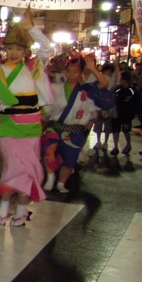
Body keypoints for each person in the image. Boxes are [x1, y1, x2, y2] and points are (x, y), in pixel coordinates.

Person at [0, 16, 53, 225]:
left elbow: (46, 48)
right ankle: (4, 203)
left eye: (19, 49)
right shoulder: (0, 69)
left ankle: (21, 209)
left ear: (26, 51)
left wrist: (32, 27)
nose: (14, 52)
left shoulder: (34, 67)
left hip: (31, 125)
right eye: (10, 48)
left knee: (29, 169)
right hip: (8, 124)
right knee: (12, 166)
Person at [42, 52, 113, 193]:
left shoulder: (87, 90)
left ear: (80, 73)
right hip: (55, 127)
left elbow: (104, 83)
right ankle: (50, 175)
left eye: (75, 72)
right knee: (48, 151)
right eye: (68, 71)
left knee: (70, 160)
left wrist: (92, 69)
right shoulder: (57, 87)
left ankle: (61, 182)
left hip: (74, 130)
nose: (71, 75)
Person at [112, 66, 136, 159]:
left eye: (121, 79)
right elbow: (114, 98)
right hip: (117, 113)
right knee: (116, 130)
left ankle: (128, 145)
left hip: (127, 115)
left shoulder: (132, 90)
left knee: (126, 131)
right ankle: (115, 147)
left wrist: (132, 113)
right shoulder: (117, 89)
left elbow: (135, 102)